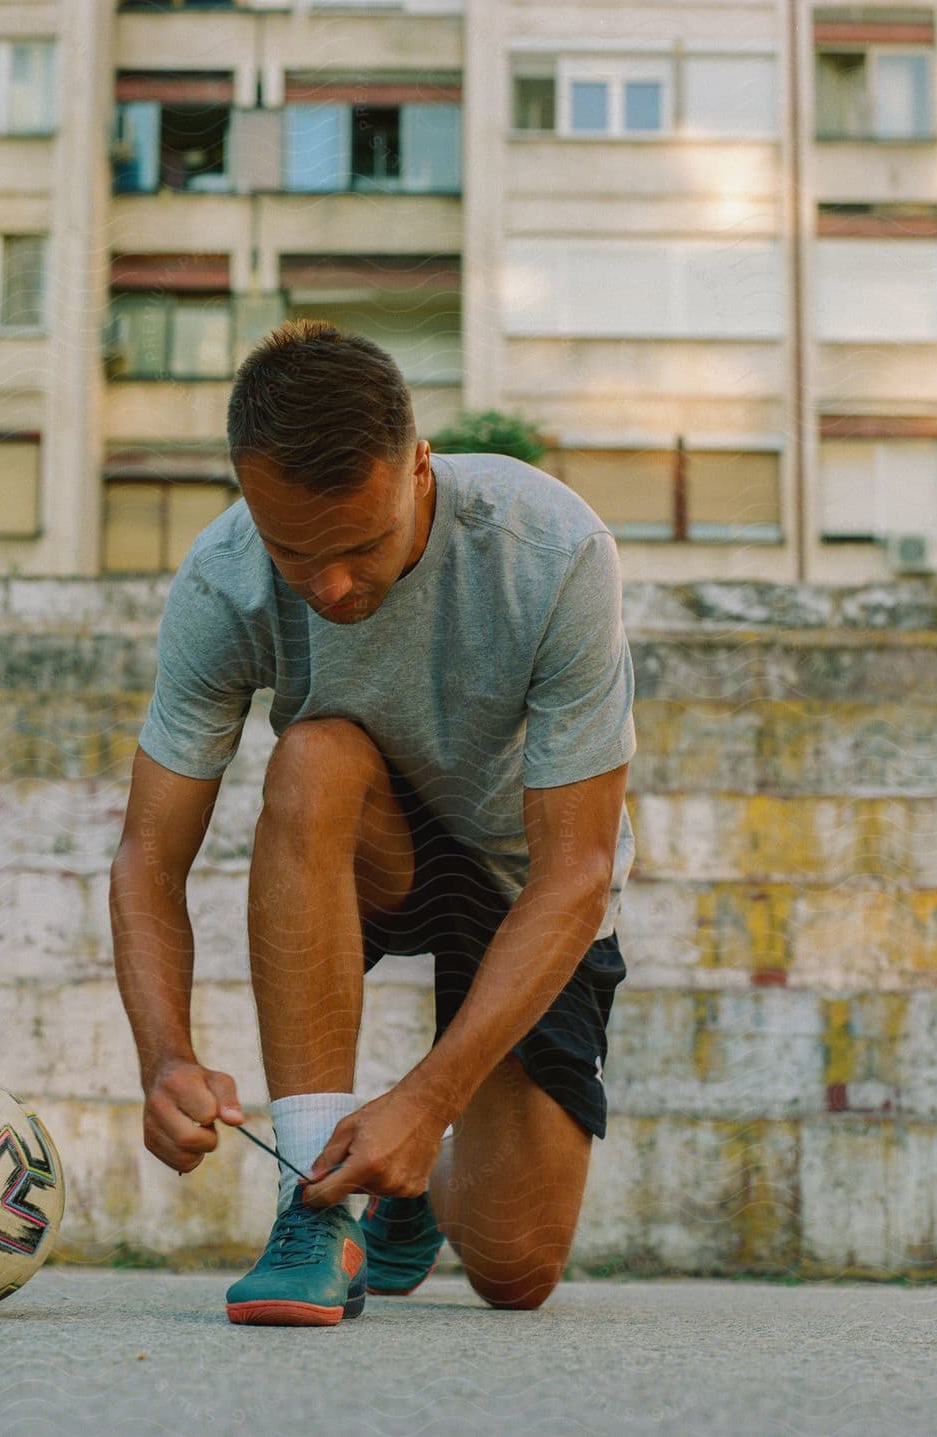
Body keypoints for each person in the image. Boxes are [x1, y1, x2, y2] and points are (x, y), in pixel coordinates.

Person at [109, 319, 636, 1326]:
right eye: (295, 553)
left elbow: (576, 873)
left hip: (525, 882)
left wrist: (429, 1099)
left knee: (515, 1273)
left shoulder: (552, 550)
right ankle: (314, 1201)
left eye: (361, 545)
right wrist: (164, 1055)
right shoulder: (224, 580)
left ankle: (417, 1189)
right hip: (372, 842)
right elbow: (148, 856)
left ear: (418, 469)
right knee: (314, 751)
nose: (334, 585)